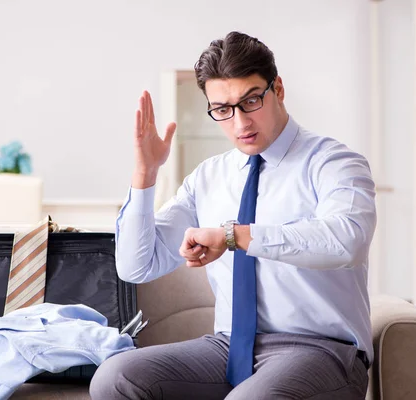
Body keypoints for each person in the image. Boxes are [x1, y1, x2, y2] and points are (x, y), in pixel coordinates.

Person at [89, 31, 376, 400]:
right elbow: (136, 266)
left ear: (279, 90)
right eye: (223, 109)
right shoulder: (209, 177)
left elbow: (346, 240)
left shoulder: (333, 163)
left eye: (251, 101)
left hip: (321, 350)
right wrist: (144, 175)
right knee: (115, 378)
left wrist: (233, 236)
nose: (240, 123)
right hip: (227, 346)